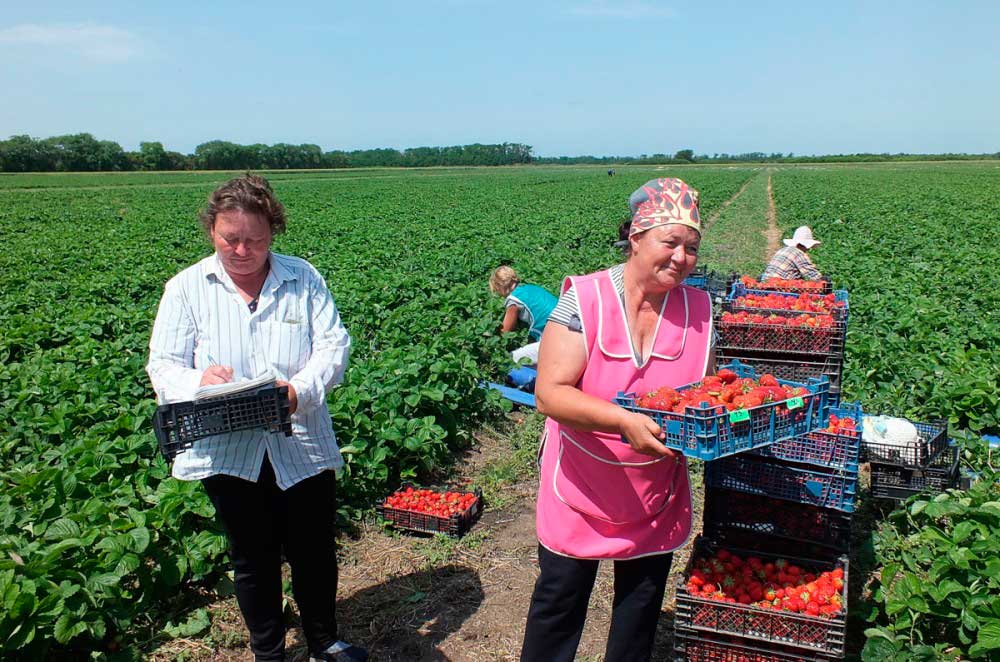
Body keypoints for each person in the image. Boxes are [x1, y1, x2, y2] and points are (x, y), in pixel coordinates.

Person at [146, 174, 366, 662]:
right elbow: (162, 364)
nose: (242, 250)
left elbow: (333, 345)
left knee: (313, 549)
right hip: (229, 448)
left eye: (256, 240)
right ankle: (268, 650)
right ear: (212, 231)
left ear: (274, 233)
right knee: (252, 556)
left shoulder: (302, 278)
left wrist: (299, 391)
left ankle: (324, 640)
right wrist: (198, 382)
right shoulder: (186, 289)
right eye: (231, 239)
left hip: (301, 438)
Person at [520, 177, 713, 662]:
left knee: (641, 605)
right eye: (669, 242)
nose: (680, 258)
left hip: (654, 488)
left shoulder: (701, 308)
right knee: (560, 601)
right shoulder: (583, 301)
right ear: (636, 238)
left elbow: (708, 391)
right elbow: (550, 394)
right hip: (580, 484)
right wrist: (623, 421)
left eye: (691, 247)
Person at [488, 266, 558, 366]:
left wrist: (490, 346)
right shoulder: (531, 287)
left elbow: (505, 332)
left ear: (499, 286)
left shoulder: (513, 300)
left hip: (553, 339)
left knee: (509, 360)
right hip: (568, 331)